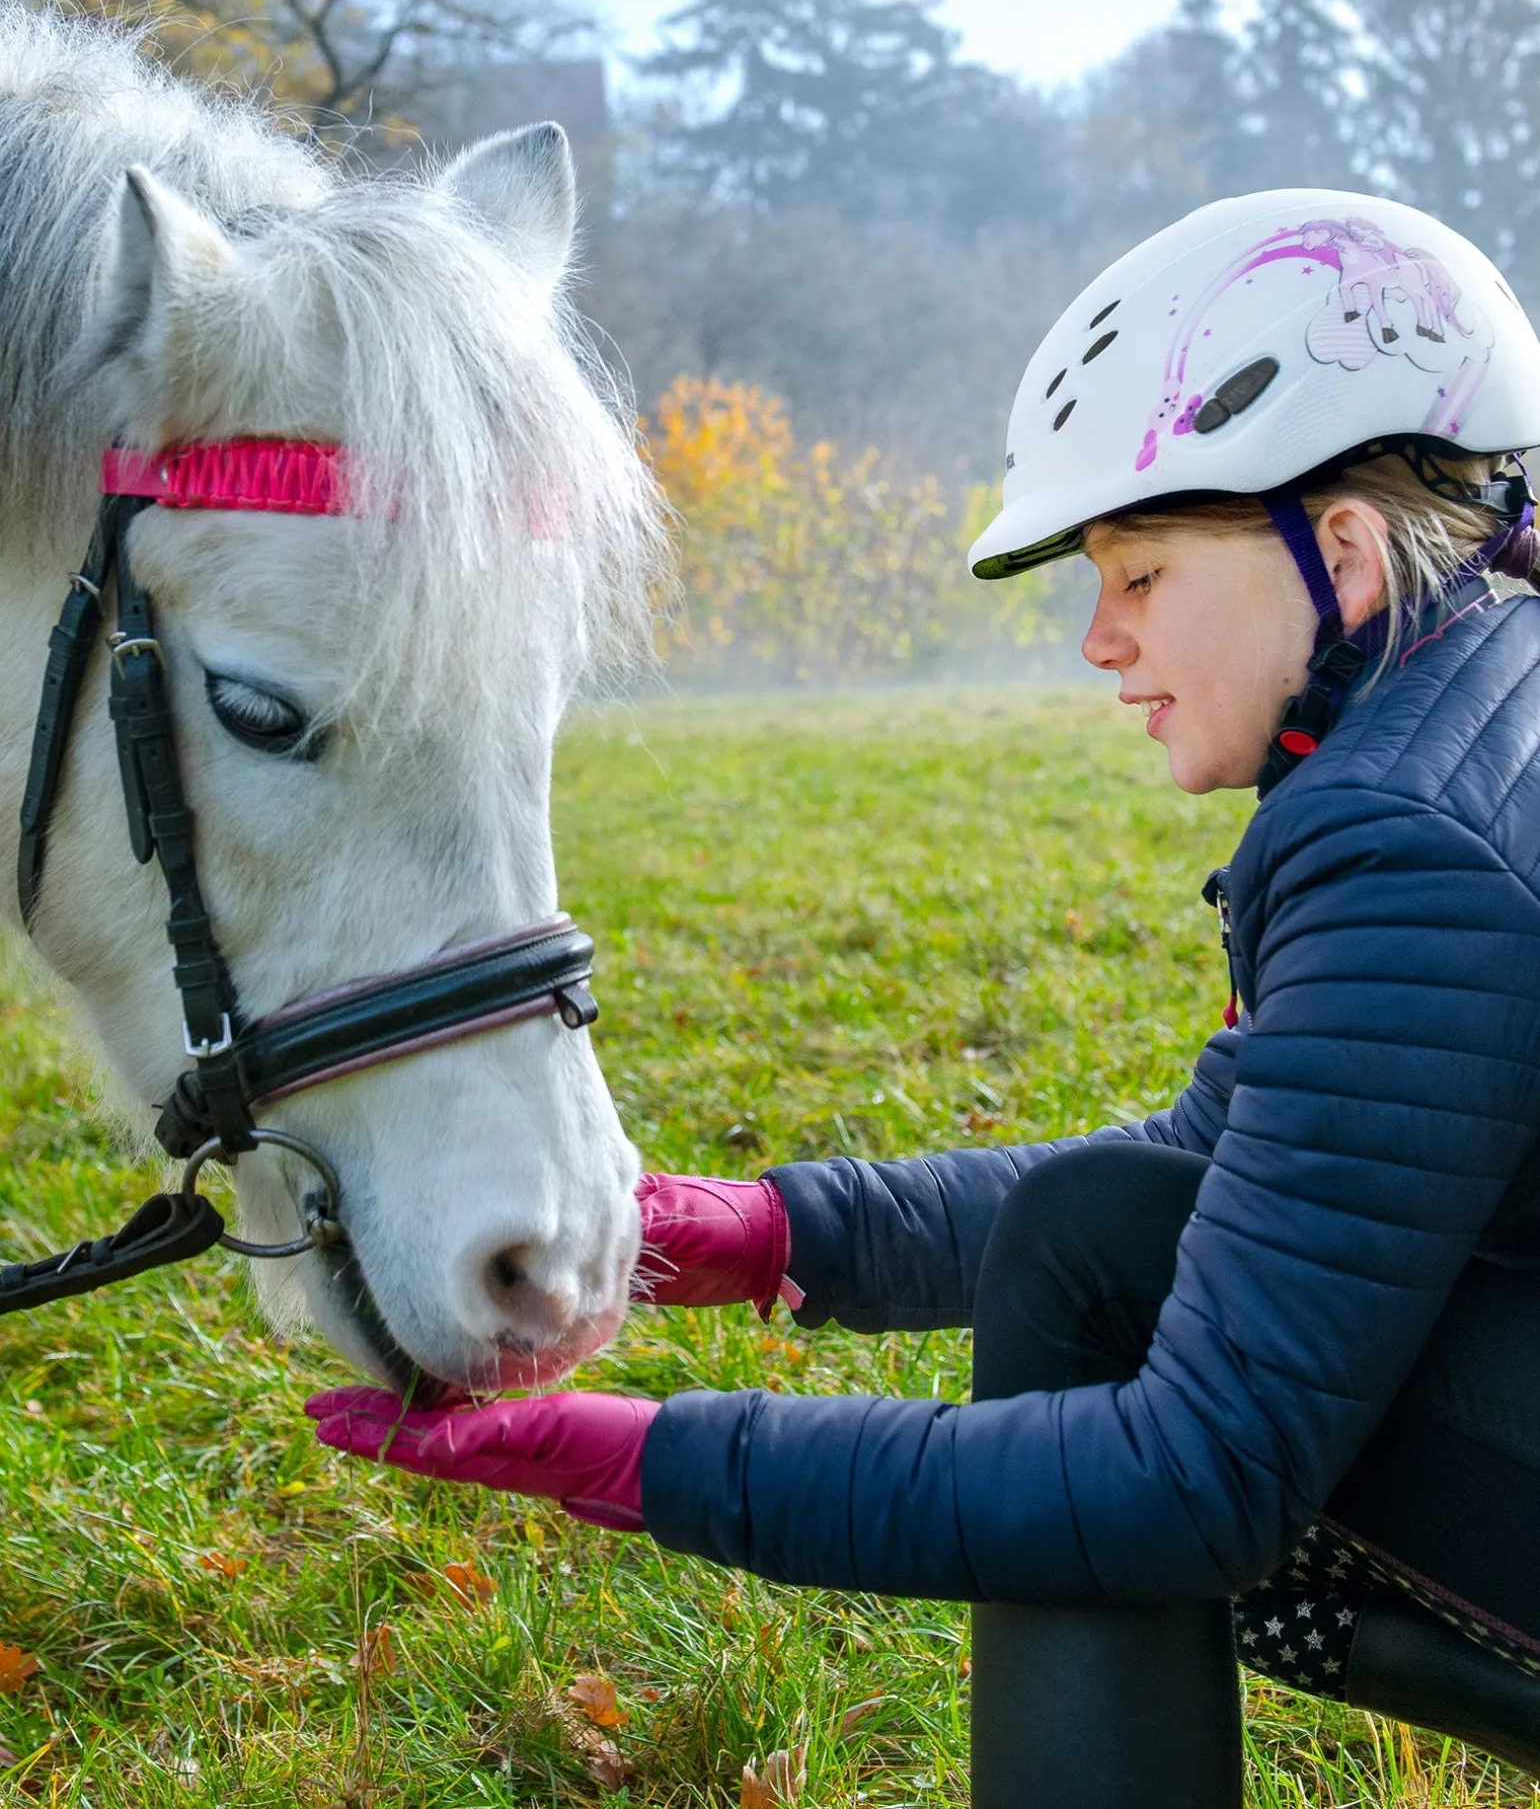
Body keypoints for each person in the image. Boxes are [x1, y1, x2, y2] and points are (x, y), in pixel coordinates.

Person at [311, 189, 1540, 1807]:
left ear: (1351, 552)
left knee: (1108, 1306)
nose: (1099, 637)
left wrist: (650, 1456)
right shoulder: (1474, 703)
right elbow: (1212, 1170)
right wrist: (776, 1231)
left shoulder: (1401, 838)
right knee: (1104, 1233)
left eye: (1146, 571)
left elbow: (1193, 1480)